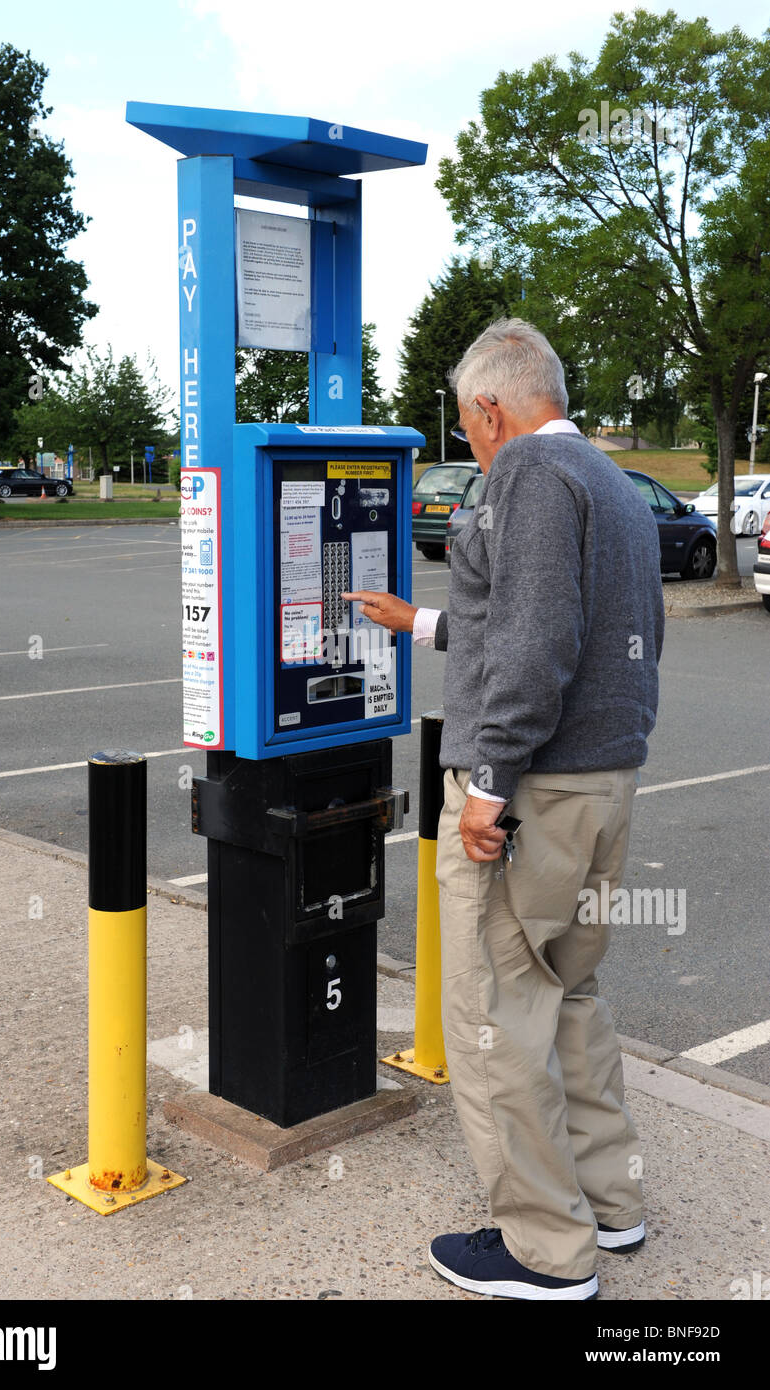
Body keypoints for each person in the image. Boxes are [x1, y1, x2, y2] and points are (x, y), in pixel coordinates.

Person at [345, 318, 664, 1301]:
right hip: (603, 783)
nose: (470, 445)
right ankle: (610, 1205)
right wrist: (424, 621)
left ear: (492, 407)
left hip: (530, 791)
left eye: (467, 426)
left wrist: (487, 787)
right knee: (567, 994)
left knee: (493, 1012)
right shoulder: (612, 483)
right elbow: (553, 618)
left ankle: (543, 1248)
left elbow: (533, 650)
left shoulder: (525, 472)